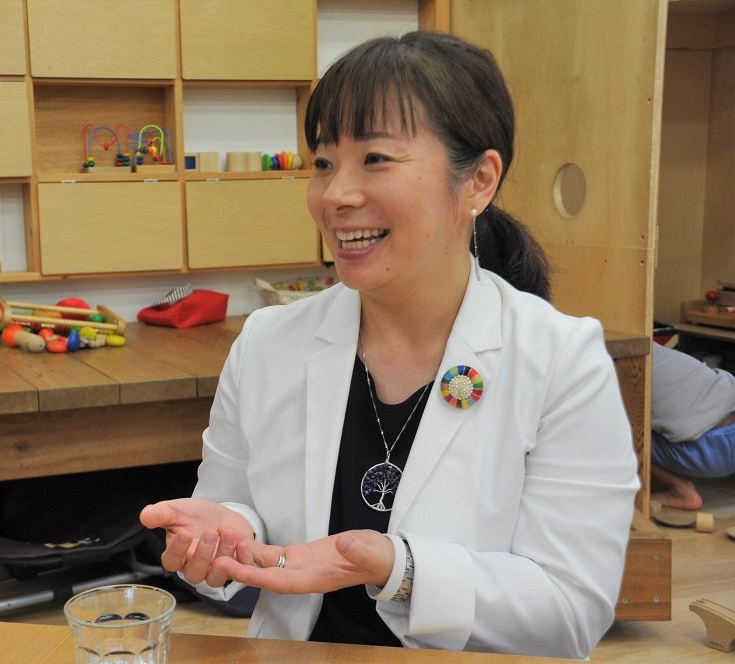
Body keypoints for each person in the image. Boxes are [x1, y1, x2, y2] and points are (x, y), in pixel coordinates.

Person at [140, 32, 638, 659]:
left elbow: (570, 612)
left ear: (478, 182)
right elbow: (230, 511)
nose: (335, 195)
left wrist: (400, 570)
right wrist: (227, 534)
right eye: (324, 163)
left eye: (375, 158)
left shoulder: (563, 360)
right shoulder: (268, 342)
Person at [650, 343, 735, 510]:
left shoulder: (616, 364)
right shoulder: (654, 347)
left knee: (616, 432)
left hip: (709, 452)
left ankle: (681, 491)